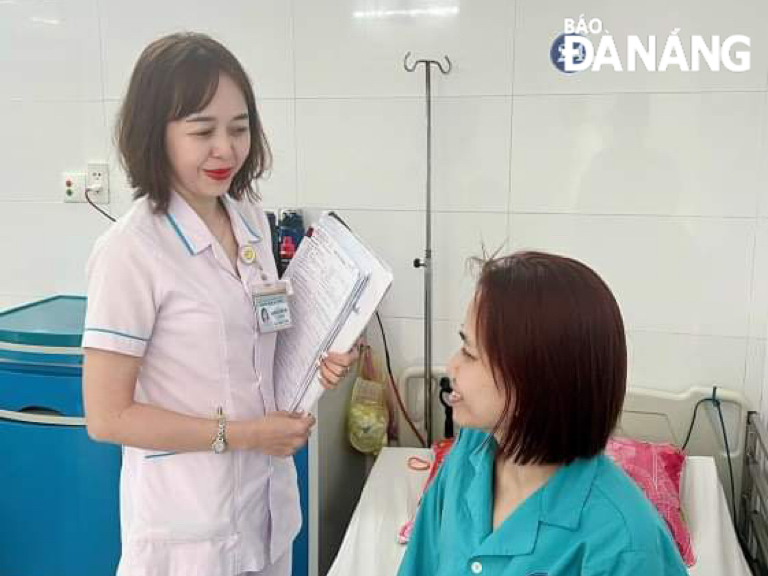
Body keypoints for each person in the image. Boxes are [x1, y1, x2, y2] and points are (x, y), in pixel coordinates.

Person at [81, 32, 357, 576]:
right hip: (187, 530)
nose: (226, 150)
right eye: (202, 131)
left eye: (239, 128)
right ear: (153, 136)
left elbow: (256, 344)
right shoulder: (131, 251)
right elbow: (107, 417)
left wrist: (316, 359)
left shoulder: (249, 220)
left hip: (266, 508)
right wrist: (247, 434)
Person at [397, 251, 688, 576]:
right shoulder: (468, 455)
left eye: (469, 352)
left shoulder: (625, 544)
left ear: (532, 382)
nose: (452, 364)